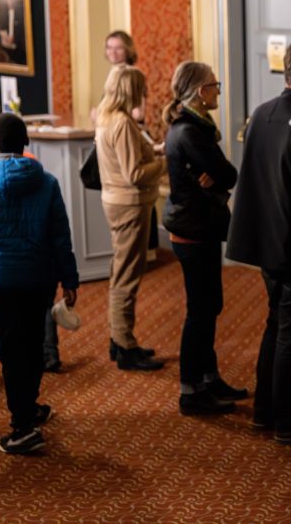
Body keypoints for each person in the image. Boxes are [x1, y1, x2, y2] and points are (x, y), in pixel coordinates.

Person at [226, 40, 291, 444]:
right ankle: (287, 420)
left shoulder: (262, 113)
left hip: (264, 243)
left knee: (276, 326)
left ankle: (264, 411)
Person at [0, 114, 79, 454]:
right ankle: (29, 406)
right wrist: (69, 279)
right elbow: (60, 237)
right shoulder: (48, 183)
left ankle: (22, 425)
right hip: (39, 279)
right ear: (26, 144)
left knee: (11, 352)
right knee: (34, 344)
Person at [161, 61, 246, 415]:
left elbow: (220, 176)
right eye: (215, 85)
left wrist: (214, 176)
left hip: (197, 226)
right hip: (193, 230)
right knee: (201, 310)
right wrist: (215, 176)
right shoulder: (191, 133)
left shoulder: (196, 127)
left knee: (210, 306)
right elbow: (229, 174)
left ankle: (209, 378)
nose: (219, 91)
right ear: (201, 92)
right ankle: (190, 390)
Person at [96, 64, 166, 370]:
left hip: (116, 200)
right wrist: (165, 163)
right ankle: (125, 345)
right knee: (127, 273)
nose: (145, 94)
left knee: (121, 269)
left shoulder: (106, 117)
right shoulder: (122, 123)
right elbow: (135, 173)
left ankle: (119, 338)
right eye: (141, 88)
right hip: (129, 203)